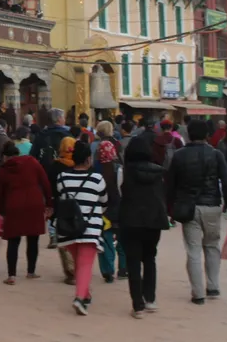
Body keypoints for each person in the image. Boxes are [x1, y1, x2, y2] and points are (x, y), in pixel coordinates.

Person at [168, 119, 227, 305]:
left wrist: (170, 209)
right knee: (212, 246)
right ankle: (213, 286)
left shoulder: (179, 155)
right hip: (213, 205)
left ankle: (198, 293)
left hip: (189, 208)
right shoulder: (216, 154)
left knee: (193, 250)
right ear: (207, 135)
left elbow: (170, 184)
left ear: (189, 134)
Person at [55, 141, 108, 316]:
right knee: (85, 264)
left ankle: (86, 295)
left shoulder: (62, 177)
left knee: (80, 264)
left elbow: (61, 197)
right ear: (88, 159)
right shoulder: (97, 179)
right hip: (90, 228)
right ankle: (79, 298)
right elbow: (104, 202)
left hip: (68, 228)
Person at [119, 136, 169, 319]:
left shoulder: (124, 172)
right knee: (150, 258)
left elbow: (119, 193)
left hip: (130, 220)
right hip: (154, 220)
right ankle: (150, 299)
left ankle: (137, 305)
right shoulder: (158, 172)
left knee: (133, 262)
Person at [0, 141, 51, 284]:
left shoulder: (3, 169)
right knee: (33, 239)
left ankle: (11, 276)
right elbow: (45, 182)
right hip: (34, 203)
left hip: (13, 205)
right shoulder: (32, 162)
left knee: (13, 241)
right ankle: (31, 271)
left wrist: (0, 211)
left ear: (5, 156)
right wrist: (49, 203)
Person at [93, 123, 124, 283]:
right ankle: (123, 268)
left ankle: (107, 270)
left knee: (105, 239)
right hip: (118, 207)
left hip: (102, 209)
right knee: (122, 239)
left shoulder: (95, 168)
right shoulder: (119, 168)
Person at [50, 136, 77, 281]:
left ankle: (70, 271)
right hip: (79, 205)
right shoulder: (78, 164)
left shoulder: (55, 165)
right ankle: (78, 268)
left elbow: (51, 186)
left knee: (64, 238)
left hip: (61, 205)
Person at [32, 107, 72, 178]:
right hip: (63, 173)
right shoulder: (66, 135)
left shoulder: (40, 135)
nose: (64, 120)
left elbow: (33, 155)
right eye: (63, 118)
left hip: (43, 172)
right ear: (59, 119)